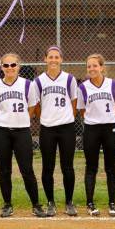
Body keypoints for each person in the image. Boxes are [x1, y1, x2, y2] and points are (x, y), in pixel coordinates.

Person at [0, 53, 46, 218]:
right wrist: (6, 119)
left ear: (19, 66)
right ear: (1, 68)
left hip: (22, 131)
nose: (10, 68)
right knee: (4, 170)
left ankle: (36, 205)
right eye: (6, 65)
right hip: (1, 131)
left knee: (27, 169)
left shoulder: (28, 84)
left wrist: (21, 119)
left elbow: (32, 106)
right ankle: (7, 205)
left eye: (13, 65)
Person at [77, 54, 115, 217]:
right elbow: (83, 110)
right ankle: (90, 203)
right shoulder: (83, 87)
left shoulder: (113, 84)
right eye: (89, 66)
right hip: (91, 129)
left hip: (110, 127)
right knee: (91, 167)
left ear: (102, 67)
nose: (91, 69)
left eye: (95, 66)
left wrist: (106, 118)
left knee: (111, 167)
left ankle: (112, 203)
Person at [34, 46, 78, 217]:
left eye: (56, 57)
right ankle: (51, 202)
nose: (53, 60)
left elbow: (74, 102)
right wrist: (45, 117)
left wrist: (66, 116)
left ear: (61, 59)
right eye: (50, 57)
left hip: (66, 127)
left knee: (67, 166)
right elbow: (36, 105)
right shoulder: (38, 81)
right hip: (47, 128)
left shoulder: (69, 79)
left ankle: (69, 202)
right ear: (45, 59)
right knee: (48, 166)